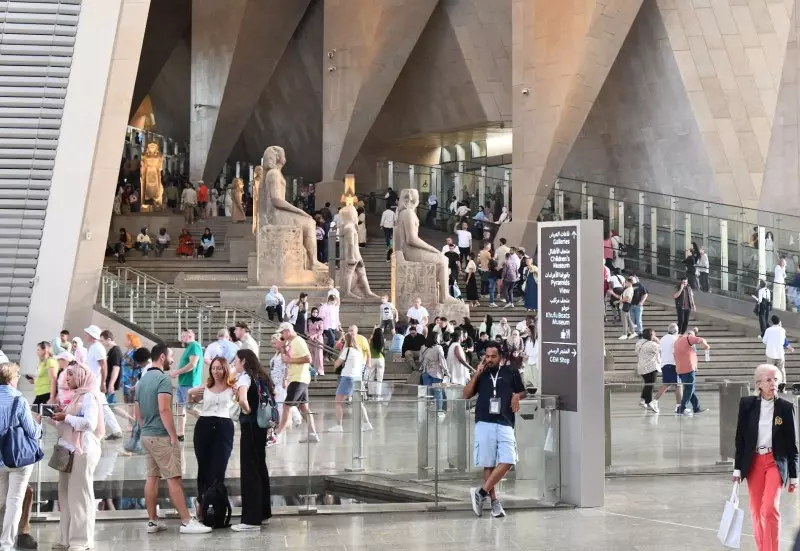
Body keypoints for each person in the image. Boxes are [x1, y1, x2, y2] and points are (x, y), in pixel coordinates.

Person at [135, 343, 210, 534]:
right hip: (160, 436)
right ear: (162, 357)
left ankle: (152, 521)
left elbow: (138, 412)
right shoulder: (163, 379)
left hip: (146, 435)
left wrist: (145, 429)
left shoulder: (142, 381)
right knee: (174, 479)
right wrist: (173, 435)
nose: (172, 360)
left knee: (152, 478)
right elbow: (164, 409)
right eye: (170, 356)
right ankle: (186, 521)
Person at [733, 363, 798, 551]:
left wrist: (794, 476)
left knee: (769, 508)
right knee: (755, 511)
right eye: (768, 380)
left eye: (775, 379)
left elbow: (792, 444)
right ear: (759, 384)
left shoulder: (786, 408)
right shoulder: (747, 405)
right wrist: (737, 469)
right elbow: (740, 439)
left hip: (775, 462)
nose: (773, 384)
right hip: (753, 462)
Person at [464, 342, 526, 518]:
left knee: (509, 459)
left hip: (505, 420)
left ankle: (480, 492)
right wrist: (477, 374)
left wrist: (517, 395)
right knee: (489, 463)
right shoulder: (481, 374)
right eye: (487, 356)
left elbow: (523, 391)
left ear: (501, 357)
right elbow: (466, 394)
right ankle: (494, 503)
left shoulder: (511, 372)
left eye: (493, 356)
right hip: (484, 420)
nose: (489, 359)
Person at [52, 363, 105, 550]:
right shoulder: (78, 396)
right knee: (66, 496)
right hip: (68, 450)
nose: (67, 378)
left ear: (81, 376)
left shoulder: (89, 396)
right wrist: (57, 418)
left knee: (79, 497)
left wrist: (65, 418)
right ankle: (66, 539)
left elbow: (89, 423)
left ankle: (80, 541)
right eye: (67, 375)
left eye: (71, 375)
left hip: (83, 451)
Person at [187, 357, 236, 523]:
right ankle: (201, 504)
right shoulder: (206, 387)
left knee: (219, 468)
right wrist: (190, 397)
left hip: (224, 427)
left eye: (219, 368)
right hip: (204, 426)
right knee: (204, 467)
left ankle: (217, 506)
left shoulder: (232, 387)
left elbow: (242, 400)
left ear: (225, 369)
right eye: (213, 368)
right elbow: (190, 397)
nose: (215, 371)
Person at [0, 362, 42, 550]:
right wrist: (38, 424)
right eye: (17, 376)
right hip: (17, 458)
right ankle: (6, 545)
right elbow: (32, 432)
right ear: (11, 378)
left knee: (1, 499)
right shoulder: (19, 400)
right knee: (14, 501)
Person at [232, 349, 274, 530]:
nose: (234, 363)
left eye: (236, 360)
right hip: (261, 427)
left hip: (249, 427)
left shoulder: (245, 377)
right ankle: (263, 512)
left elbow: (243, 400)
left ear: (243, 361)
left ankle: (251, 519)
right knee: (260, 468)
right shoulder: (260, 377)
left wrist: (248, 410)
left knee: (249, 471)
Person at [273, 323, 320, 443]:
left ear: (288, 331)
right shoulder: (291, 342)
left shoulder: (298, 341)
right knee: (303, 406)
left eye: (282, 333)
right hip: (298, 377)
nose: (282, 335)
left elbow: (308, 358)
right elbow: (285, 360)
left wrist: (291, 360)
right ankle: (312, 433)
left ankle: (278, 433)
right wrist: (283, 348)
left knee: (286, 405)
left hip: (299, 378)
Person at [83, 326, 122, 439]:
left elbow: (103, 366)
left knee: (102, 407)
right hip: (92, 383)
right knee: (103, 407)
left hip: (95, 384)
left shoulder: (97, 348)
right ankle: (112, 430)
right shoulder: (94, 347)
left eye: (87, 334)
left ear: (91, 335)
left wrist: (103, 383)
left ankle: (107, 430)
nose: (85, 335)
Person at [329, 334, 373, 433]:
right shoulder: (359, 352)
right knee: (358, 402)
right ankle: (367, 423)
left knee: (338, 401)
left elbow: (337, 364)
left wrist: (337, 361)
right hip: (357, 377)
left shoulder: (347, 350)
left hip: (347, 377)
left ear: (346, 341)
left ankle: (339, 426)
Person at [169, 329, 202, 442]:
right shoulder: (189, 347)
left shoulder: (194, 346)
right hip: (183, 382)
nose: (181, 338)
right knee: (180, 408)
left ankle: (208, 420)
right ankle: (180, 433)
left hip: (189, 382)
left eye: (183, 336)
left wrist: (177, 372)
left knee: (189, 407)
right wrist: (177, 372)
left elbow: (192, 364)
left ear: (190, 336)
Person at [674, 330, 710, 415]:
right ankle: (682, 409)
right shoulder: (688, 338)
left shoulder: (677, 341)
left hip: (680, 369)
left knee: (690, 389)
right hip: (688, 369)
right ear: (690, 335)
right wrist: (706, 345)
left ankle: (696, 408)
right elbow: (701, 339)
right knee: (689, 389)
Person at [653, 324, 683, 413]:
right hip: (673, 364)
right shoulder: (675, 339)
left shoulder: (663, 338)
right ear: (676, 331)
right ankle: (679, 406)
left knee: (666, 384)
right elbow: (675, 352)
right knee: (679, 385)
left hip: (664, 364)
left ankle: (654, 401)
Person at [762, 315, 794, 392]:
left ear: (772, 322)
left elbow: (764, 341)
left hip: (770, 354)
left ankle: (770, 388)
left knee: (770, 371)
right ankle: (782, 386)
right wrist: (790, 347)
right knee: (781, 370)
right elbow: (784, 341)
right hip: (780, 354)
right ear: (779, 322)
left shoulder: (768, 330)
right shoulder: (782, 330)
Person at [420, 332, 448, 415]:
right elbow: (442, 361)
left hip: (426, 371)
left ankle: (426, 410)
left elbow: (420, 359)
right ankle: (439, 410)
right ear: (436, 338)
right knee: (438, 391)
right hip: (436, 372)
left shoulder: (423, 347)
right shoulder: (439, 348)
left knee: (428, 392)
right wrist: (446, 371)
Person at [635, 328, 661, 413]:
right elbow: (661, 349)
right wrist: (657, 340)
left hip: (641, 367)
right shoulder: (652, 345)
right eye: (654, 334)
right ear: (651, 336)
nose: (655, 336)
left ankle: (643, 401)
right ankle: (649, 403)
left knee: (647, 384)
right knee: (650, 385)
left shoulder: (639, 342)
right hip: (651, 368)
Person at [99, 330, 123, 405]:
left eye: (102, 341)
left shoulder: (115, 351)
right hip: (108, 382)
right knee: (110, 405)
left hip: (110, 383)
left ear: (109, 339)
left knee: (110, 405)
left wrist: (111, 384)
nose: (101, 343)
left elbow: (116, 368)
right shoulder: (112, 350)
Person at [32, 341, 58, 408]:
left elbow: (53, 379)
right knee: (34, 413)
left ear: (45, 350)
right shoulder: (42, 362)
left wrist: (52, 397)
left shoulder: (50, 361)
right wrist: (33, 381)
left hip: (47, 393)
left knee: (35, 413)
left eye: (38, 349)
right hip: (40, 393)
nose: (37, 352)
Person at [306, 307, 325, 376]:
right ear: (311, 312)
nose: (315, 313)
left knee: (319, 355)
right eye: (313, 312)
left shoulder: (320, 320)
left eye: (316, 312)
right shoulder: (308, 320)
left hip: (318, 339)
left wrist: (314, 335)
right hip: (310, 339)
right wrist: (309, 335)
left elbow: (321, 330)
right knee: (312, 354)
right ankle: (314, 371)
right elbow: (306, 330)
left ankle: (320, 370)